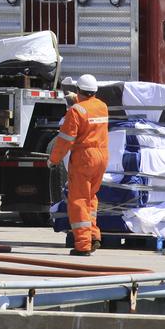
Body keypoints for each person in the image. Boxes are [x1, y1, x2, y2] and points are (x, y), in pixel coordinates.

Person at [49, 73, 109, 256]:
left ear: (78, 91)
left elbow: (65, 140)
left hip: (84, 159)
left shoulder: (75, 111)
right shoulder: (102, 106)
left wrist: (54, 160)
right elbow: (88, 106)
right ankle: (94, 235)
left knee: (78, 200)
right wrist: (76, 99)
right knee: (91, 198)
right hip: (102, 156)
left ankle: (83, 245)